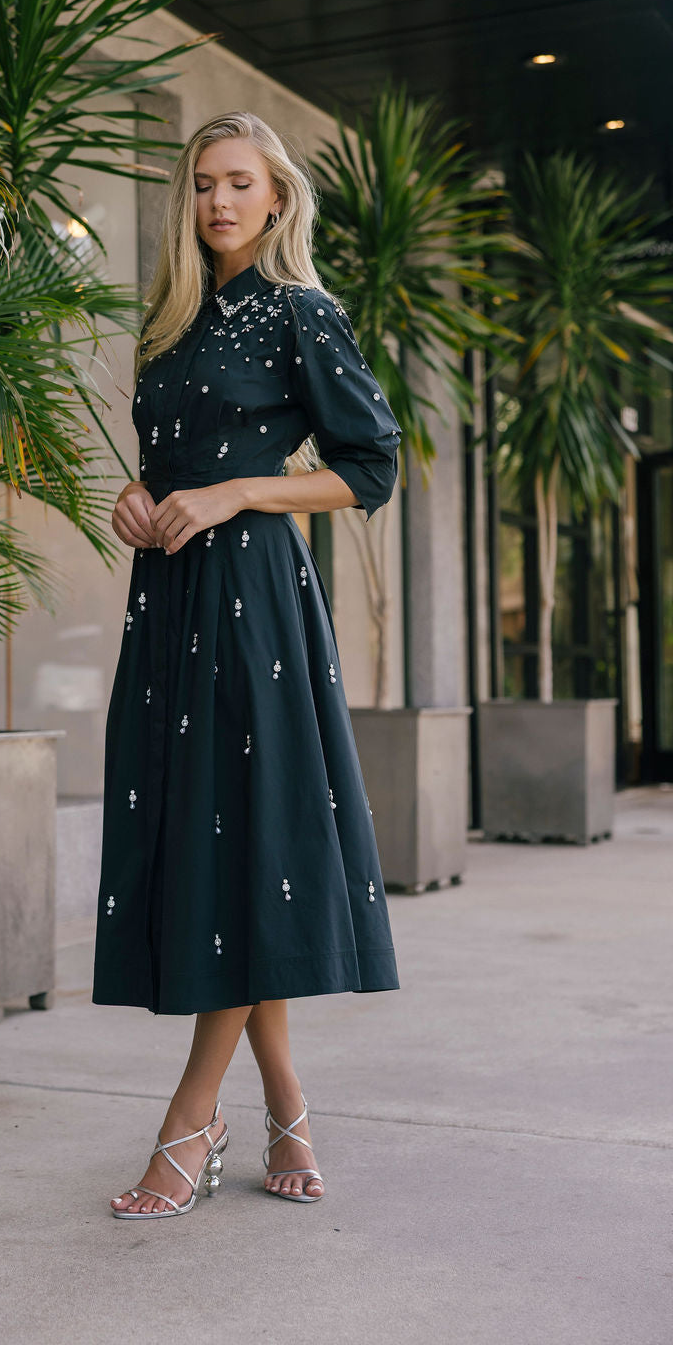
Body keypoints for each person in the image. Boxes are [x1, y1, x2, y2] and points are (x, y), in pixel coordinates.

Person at [92, 111, 402, 1218]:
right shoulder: (172, 324)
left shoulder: (300, 310)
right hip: (172, 596)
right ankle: (286, 1102)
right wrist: (134, 498)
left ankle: (190, 1120)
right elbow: (164, 462)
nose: (218, 201)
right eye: (202, 184)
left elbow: (370, 466)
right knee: (223, 843)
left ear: (276, 196)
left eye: (238, 182)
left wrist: (237, 491)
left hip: (254, 605)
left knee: (244, 839)